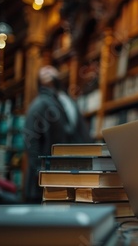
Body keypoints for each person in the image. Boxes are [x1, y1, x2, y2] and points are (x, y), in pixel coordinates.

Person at [23, 65, 92, 203]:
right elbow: (30, 139)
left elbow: (78, 132)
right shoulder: (42, 103)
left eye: (50, 69)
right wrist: (38, 169)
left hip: (70, 173)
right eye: (43, 71)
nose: (47, 71)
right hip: (47, 176)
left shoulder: (65, 101)